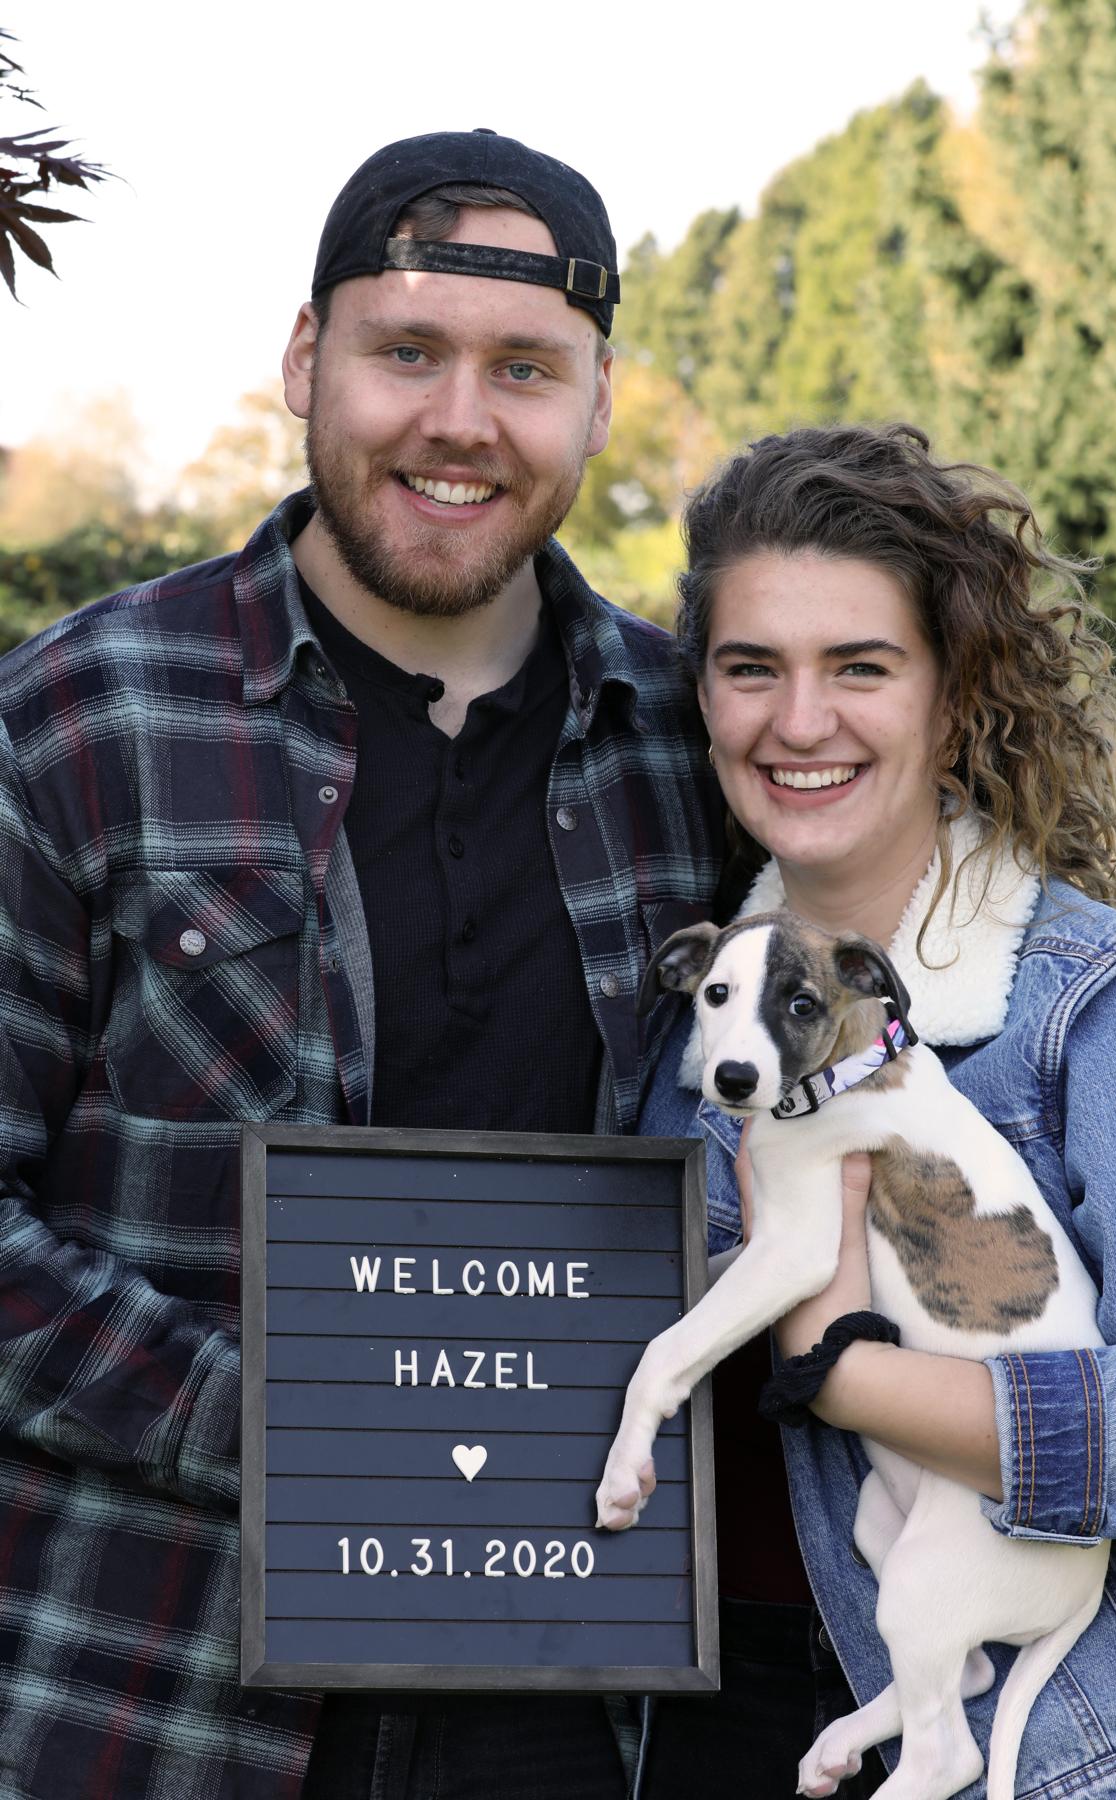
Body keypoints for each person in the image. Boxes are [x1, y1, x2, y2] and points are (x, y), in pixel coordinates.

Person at [0, 130, 724, 1800]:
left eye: (525, 369)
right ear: (305, 361)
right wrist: (289, 1424)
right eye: (407, 351)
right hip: (149, 1698)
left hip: (580, 1705)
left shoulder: (702, 754)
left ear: (598, 402)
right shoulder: (83, 718)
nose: (461, 420)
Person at [637, 422, 1116, 1800]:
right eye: (751, 667)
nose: (801, 720)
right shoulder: (689, 1033)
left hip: (1079, 1753)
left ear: (955, 701)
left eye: (862, 668)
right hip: (726, 1733)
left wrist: (842, 1357)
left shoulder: (1093, 1009)